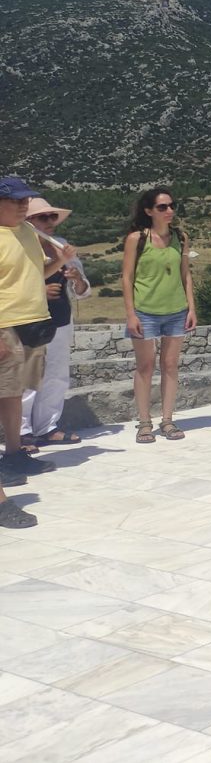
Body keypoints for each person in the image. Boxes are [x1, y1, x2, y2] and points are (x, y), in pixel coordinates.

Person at [0, 175, 70, 526]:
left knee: (15, 393)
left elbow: (36, 274)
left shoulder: (27, 232)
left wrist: (60, 260)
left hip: (31, 322)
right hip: (5, 324)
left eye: (25, 200)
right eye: (16, 200)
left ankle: (14, 453)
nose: (24, 205)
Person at [121, 188, 197, 443]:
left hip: (176, 310)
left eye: (172, 205)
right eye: (162, 207)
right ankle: (144, 422)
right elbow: (127, 277)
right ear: (149, 211)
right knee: (145, 367)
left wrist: (191, 308)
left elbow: (185, 274)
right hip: (145, 311)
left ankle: (167, 420)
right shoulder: (136, 239)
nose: (169, 211)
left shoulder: (181, 237)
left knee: (171, 365)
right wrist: (131, 314)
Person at [21, 198, 88, 450]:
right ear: (29, 221)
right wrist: (40, 291)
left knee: (56, 375)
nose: (50, 221)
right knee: (28, 378)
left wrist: (78, 279)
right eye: (43, 217)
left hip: (60, 320)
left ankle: (47, 427)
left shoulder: (61, 246)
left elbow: (83, 290)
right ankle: (21, 432)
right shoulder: (20, 247)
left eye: (52, 216)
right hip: (29, 320)